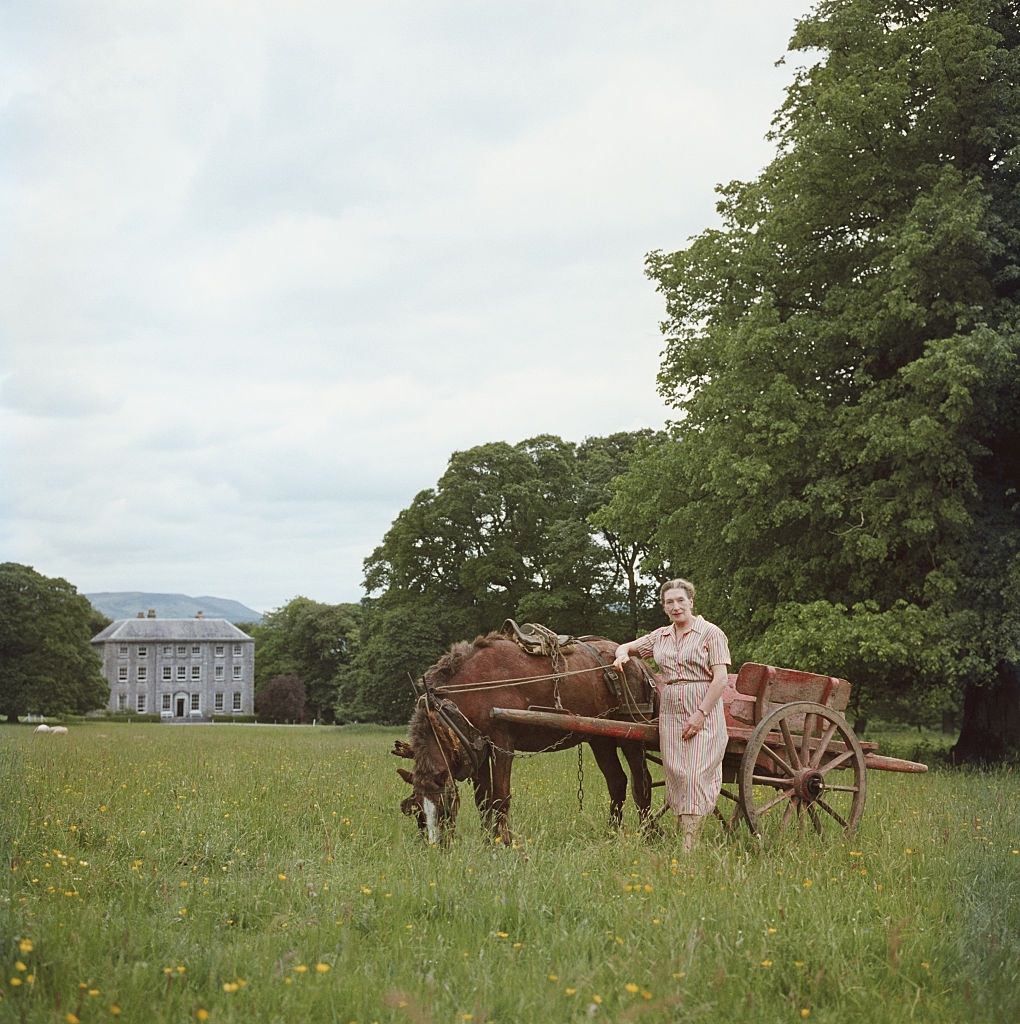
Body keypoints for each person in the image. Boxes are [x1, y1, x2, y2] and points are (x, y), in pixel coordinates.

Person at [613, 578, 730, 850]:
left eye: (680, 600)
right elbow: (627, 646)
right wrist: (621, 656)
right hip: (671, 710)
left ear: (691, 601)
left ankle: (689, 845)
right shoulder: (660, 636)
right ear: (664, 607)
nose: (676, 607)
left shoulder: (711, 633)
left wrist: (700, 714)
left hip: (703, 707)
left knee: (694, 774)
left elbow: (721, 679)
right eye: (669, 602)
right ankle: (687, 833)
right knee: (677, 773)